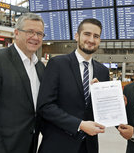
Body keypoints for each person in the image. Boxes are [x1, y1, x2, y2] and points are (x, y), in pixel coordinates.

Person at [37, 18, 110, 153]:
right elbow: (45, 106)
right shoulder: (57, 64)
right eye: (87, 34)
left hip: (88, 147)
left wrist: (112, 99)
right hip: (58, 145)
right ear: (77, 36)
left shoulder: (103, 72)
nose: (91, 40)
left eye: (96, 36)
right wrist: (80, 125)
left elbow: (102, 112)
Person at [0, 13, 45, 153]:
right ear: (16, 33)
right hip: (1, 146)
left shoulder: (40, 67)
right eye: (30, 32)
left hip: (29, 145)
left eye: (39, 33)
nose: (35, 37)